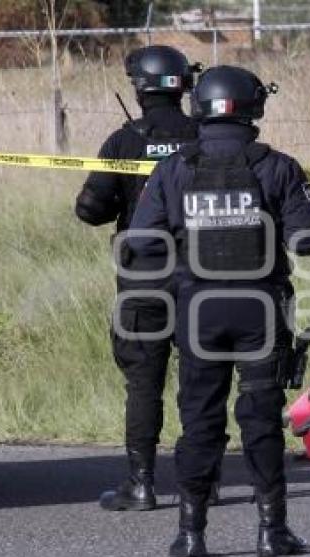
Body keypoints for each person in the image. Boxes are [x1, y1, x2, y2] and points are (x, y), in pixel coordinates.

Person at [128, 65, 310, 557]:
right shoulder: (277, 166)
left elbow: (141, 245)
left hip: (198, 311)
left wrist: (182, 264)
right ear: (252, 107)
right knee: (261, 420)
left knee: (199, 422)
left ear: (200, 106)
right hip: (259, 310)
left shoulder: (174, 168)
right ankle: (271, 531)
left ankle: (190, 534)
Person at [74, 45, 220, 511]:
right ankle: (206, 484)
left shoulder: (124, 141)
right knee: (203, 380)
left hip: (144, 281)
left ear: (139, 87)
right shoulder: (206, 137)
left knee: (143, 382)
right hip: (203, 278)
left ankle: (141, 485)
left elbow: (90, 210)